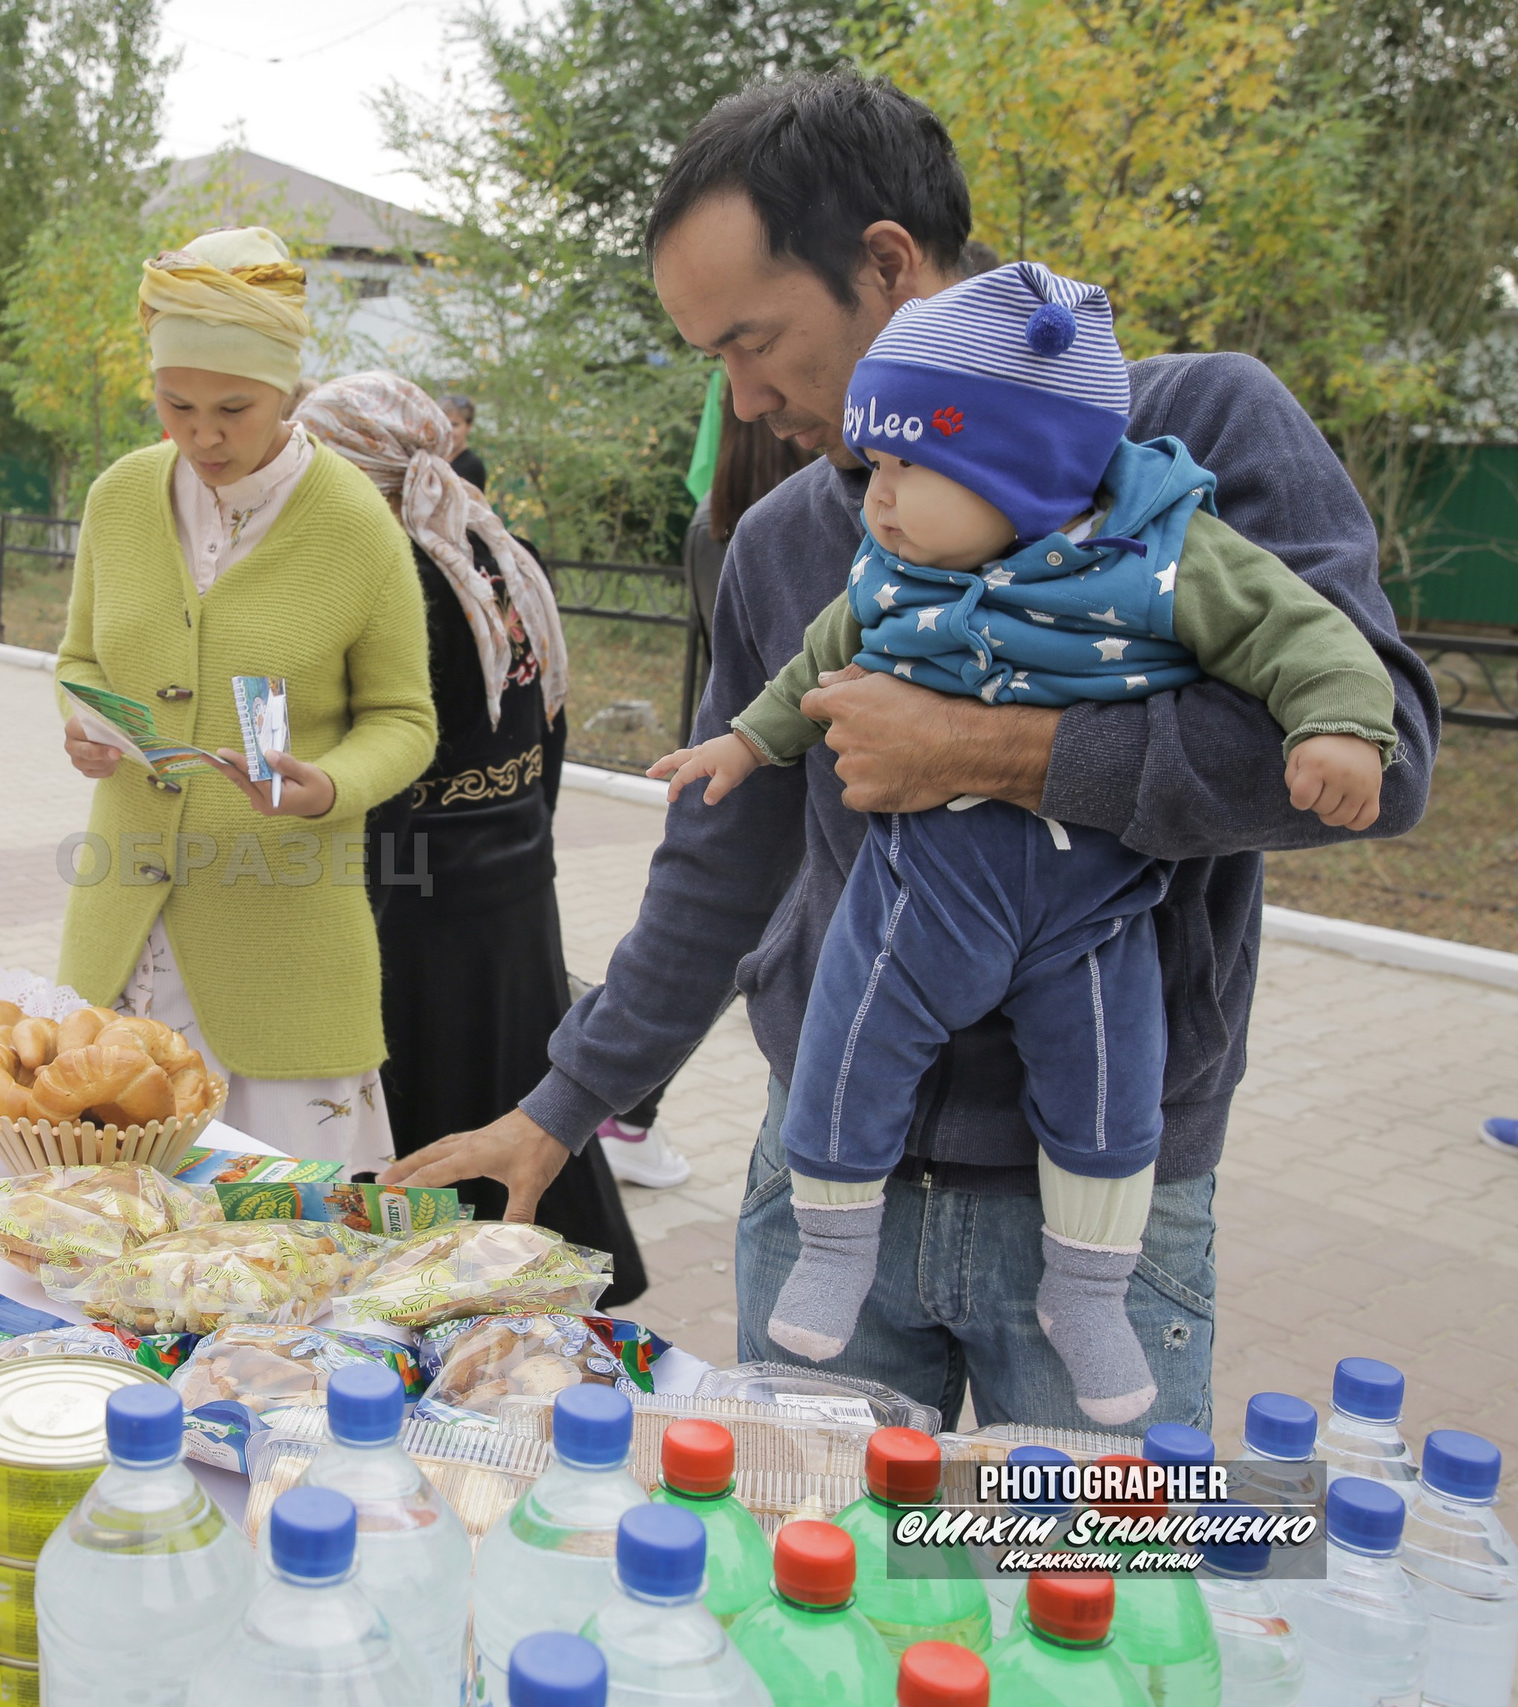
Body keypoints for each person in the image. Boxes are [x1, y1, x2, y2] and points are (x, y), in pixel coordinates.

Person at [382, 71, 1438, 1432]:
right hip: (824, 1180)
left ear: (888, 265)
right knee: (806, 1588)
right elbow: (723, 867)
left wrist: (988, 750)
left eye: (755, 340)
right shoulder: (786, 543)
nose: (746, 399)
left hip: (1101, 1206)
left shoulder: (1195, 439)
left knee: (1079, 1595)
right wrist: (563, 1102)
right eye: (713, 357)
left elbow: (1384, 757)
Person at [650, 262, 1397, 1423]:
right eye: (875, 465)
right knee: (849, 1050)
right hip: (921, 903)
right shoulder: (877, 564)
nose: (873, 494)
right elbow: (806, 680)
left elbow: (1304, 642)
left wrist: (1340, 729)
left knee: (1107, 1095)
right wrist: (743, 745)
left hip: (1089, 915)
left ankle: (1089, 1291)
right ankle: (833, 1246)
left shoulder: (1163, 551)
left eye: (904, 468)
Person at [55, 227, 436, 1168]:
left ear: (289, 394)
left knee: (284, 1245)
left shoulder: (355, 524)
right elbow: (78, 658)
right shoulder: (119, 497)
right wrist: (85, 721)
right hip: (123, 924)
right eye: (174, 403)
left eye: (234, 406)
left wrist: (331, 784)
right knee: (101, 1220)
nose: (203, 434)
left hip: (286, 947)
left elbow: (405, 719)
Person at [294, 372, 647, 1303]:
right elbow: (550, 728)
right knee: (517, 1096)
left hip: (415, 903)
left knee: (432, 1123)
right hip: (514, 883)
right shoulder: (498, 552)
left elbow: (370, 758)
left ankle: (447, 1310)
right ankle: (545, 1292)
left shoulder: (389, 576)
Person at [595, 409, 816, 1189]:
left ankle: (620, 1104)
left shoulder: (709, 526)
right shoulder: (786, 534)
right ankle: (626, 1109)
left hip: (725, 751)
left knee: (714, 945)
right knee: (726, 948)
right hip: (773, 770)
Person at [440, 393, 487, 490]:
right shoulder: (434, 460)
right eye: (444, 424)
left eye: (455, 425)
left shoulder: (472, 465)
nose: (449, 430)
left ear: (469, 426)